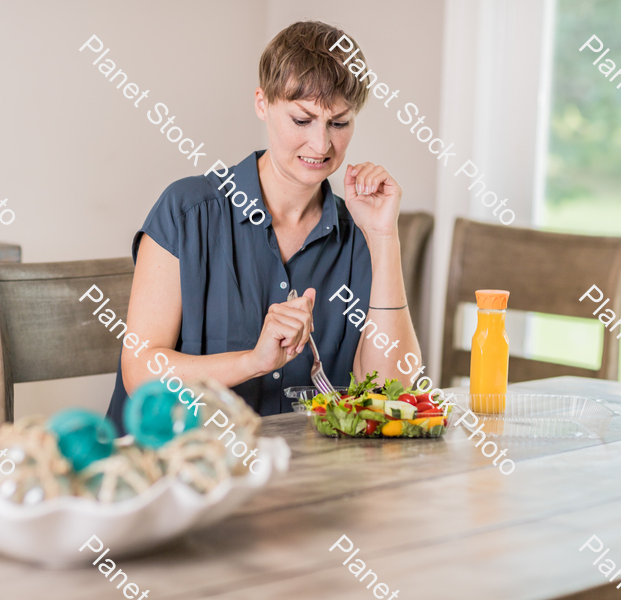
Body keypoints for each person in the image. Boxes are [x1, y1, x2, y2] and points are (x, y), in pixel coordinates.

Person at [106, 20, 420, 431]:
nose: (321, 144)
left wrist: (383, 236)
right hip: (175, 473)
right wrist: (252, 362)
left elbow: (390, 390)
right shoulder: (187, 212)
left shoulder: (360, 233)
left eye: (339, 123)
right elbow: (141, 369)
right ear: (262, 102)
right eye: (302, 120)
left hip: (300, 479)